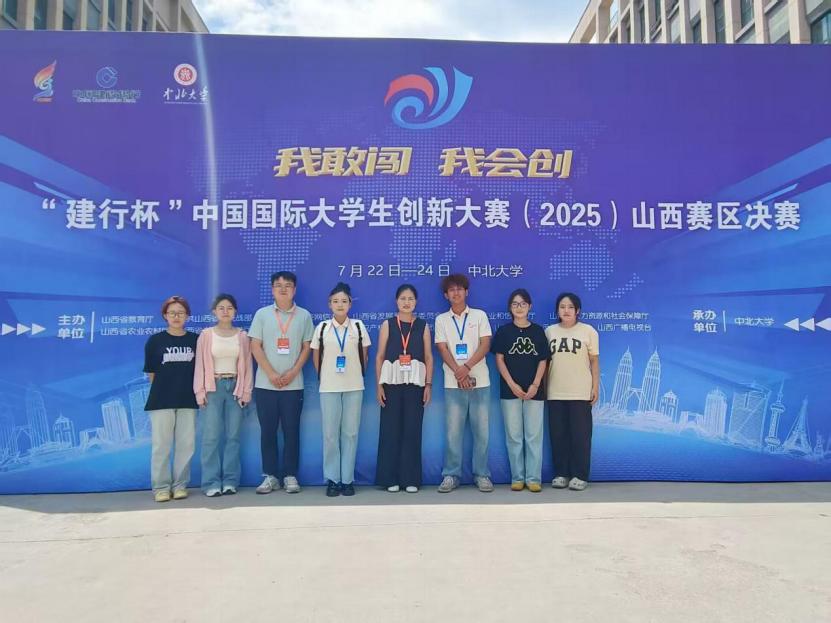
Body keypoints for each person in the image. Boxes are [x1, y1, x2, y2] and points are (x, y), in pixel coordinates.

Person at [249, 271, 314, 494]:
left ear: (294, 290)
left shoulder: (304, 315)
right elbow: (255, 345)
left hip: (293, 385)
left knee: (291, 430)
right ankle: (270, 476)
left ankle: (289, 475)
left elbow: (307, 347)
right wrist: (271, 373)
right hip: (265, 384)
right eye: (278, 285)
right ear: (272, 290)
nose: (283, 289)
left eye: (288, 285)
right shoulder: (262, 314)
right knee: (267, 431)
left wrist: (293, 372)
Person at [434, 274, 493, 493]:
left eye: (460, 289)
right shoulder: (441, 320)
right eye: (452, 290)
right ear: (446, 295)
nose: (456, 293)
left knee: (482, 432)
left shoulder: (479, 316)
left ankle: (482, 474)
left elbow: (485, 344)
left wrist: (466, 367)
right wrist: (459, 373)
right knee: (453, 432)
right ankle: (451, 475)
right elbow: (442, 348)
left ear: (467, 292)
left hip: (480, 382)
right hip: (453, 383)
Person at [312, 282, 371, 497]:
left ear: (350, 304)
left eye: (344, 301)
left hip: (354, 386)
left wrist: (354, 373)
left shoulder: (358, 327)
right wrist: (325, 377)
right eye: (335, 301)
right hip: (329, 387)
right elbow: (316, 357)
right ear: (329, 304)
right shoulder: (322, 328)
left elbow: (365, 356)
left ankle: (347, 480)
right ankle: (333, 479)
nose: (340, 305)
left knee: (350, 433)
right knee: (330, 435)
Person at [374, 284, 433, 493]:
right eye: (403, 298)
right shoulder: (388, 324)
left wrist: (428, 384)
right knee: (390, 431)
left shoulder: (423, 326)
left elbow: (428, 357)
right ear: (396, 301)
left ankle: (410, 479)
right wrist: (379, 385)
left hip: (415, 386)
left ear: (416, 302)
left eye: (410, 299)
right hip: (391, 385)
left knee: (412, 430)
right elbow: (380, 356)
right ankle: (389, 478)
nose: (406, 302)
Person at [193, 294, 253, 497]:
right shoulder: (206, 335)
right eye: (221, 308)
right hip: (213, 387)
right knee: (211, 437)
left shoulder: (242, 336)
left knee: (233, 437)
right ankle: (211, 482)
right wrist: (200, 391)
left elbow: (248, 365)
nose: (225, 311)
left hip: (235, 387)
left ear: (235, 311)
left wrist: (246, 391)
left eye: (229, 308)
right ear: (214, 312)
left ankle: (230, 481)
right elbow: (200, 366)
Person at [492, 289, 549, 492]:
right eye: (515, 304)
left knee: (533, 436)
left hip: (535, 392)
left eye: (523, 303)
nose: (519, 307)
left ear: (530, 306)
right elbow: (499, 359)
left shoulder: (538, 331)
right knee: (514, 436)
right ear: (510, 307)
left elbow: (543, 360)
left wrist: (535, 385)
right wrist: (512, 384)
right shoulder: (504, 332)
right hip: (510, 391)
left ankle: (533, 478)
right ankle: (517, 477)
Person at [143, 296, 199, 502]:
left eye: (181, 313)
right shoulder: (155, 341)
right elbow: (151, 373)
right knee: (161, 446)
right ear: (165, 316)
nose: (176, 316)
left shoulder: (195, 340)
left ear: (187, 316)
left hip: (188, 400)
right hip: (161, 400)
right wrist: (163, 390)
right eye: (172, 313)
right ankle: (161, 487)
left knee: (186, 445)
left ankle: (180, 485)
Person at [545, 292, 600, 491]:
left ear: (578, 311)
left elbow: (594, 362)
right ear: (557, 311)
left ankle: (580, 475)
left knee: (580, 436)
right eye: (562, 307)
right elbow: (545, 363)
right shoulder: (549, 332)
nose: (566, 310)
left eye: (570, 307)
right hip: (555, 392)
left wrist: (595, 387)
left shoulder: (588, 331)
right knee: (558, 436)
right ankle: (561, 473)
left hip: (580, 392)